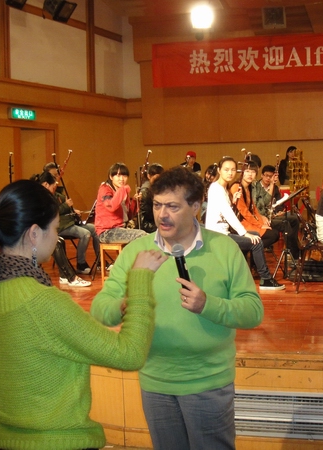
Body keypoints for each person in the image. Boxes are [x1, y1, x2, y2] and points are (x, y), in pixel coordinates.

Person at [0, 179, 165, 450]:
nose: (57, 237)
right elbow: (130, 354)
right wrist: (140, 280)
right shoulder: (42, 302)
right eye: (55, 229)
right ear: (34, 233)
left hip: (9, 440)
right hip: (59, 442)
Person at [91, 167, 264, 450]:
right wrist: (126, 303)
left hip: (208, 382)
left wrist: (208, 304)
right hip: (155, 381)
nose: (162, 214)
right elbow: (100, 308)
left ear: (195, 207)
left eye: (172, 206)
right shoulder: (137, 251)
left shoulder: (224, 249)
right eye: (157, 205)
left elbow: (252, 311)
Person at [205, 157, 285, 290]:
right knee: (256, 241)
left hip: (224, 233)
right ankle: (265, 279)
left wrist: (233, 202)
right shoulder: (216, 188)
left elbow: (227, 210)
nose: (230, 173)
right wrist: (244, 233)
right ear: (219, 170)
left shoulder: (223, 188)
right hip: (218, 235)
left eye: (233, 170)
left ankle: (242, 275)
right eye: (226, 170)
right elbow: (228, 214)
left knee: (255, 236)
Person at [34, 171, 91, 287]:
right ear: (46, 184)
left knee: (59, 241)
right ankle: (71, 278)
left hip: (39, 231)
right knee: (56, 242)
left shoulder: (44, 195)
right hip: (30, 234)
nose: (54, 189)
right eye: (52, 186)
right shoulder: (38, 197)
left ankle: (63, 276)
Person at [44, 163, 99, 274]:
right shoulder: (45, 194)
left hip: (70, 222)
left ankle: (99, 261)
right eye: (53, 175)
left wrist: (73, 210)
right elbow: (52, 212)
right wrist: (66, 206)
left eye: (57, 175)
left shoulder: (58, 192)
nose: (57, 178)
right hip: (61, 226)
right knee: (85, 234)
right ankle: (81, 264)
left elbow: (64, 206)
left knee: (96, 229)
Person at [252, 164, 301, 260]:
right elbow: (259, 206)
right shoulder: (256, 187)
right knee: (285, 223)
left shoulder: (274, 188)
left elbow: (279, 202)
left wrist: (279, 211)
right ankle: (293, 254)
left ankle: (294, 249)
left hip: (273, 214)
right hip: (263, 217)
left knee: (294, 218)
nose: (268, 178)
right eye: (266, 176)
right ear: (261, 175)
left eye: (271, 176)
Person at [229, 161, 280, 251]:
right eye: (247, 171)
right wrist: (259, 225)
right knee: (273, 234)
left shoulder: (248, 187)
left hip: (247, 221)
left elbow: (254, 209)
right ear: (242, 173)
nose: (250, 174)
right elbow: (243, 211)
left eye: (253, 172)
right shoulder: (237, 186)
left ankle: (253, 252)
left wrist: (261, 224)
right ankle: (252, 250)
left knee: (274, 233)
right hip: (240, 223)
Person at [96, 162, 147, 244]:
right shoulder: (105, 189)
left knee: (150, 237)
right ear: (111, 177)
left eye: (124, 176)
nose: (122, 179)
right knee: (142, 236)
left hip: (122, 228)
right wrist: (123, 189)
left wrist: (135, 201)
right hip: (107, 232)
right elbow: (111, 206)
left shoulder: (122, 191)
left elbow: (129, 216)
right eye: (118, 176)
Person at [138, 163, 164, 233]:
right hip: (148, 228)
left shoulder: (158, 190)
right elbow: (143, 220)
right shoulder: (145, 192)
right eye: (155, 175)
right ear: (149, 176)